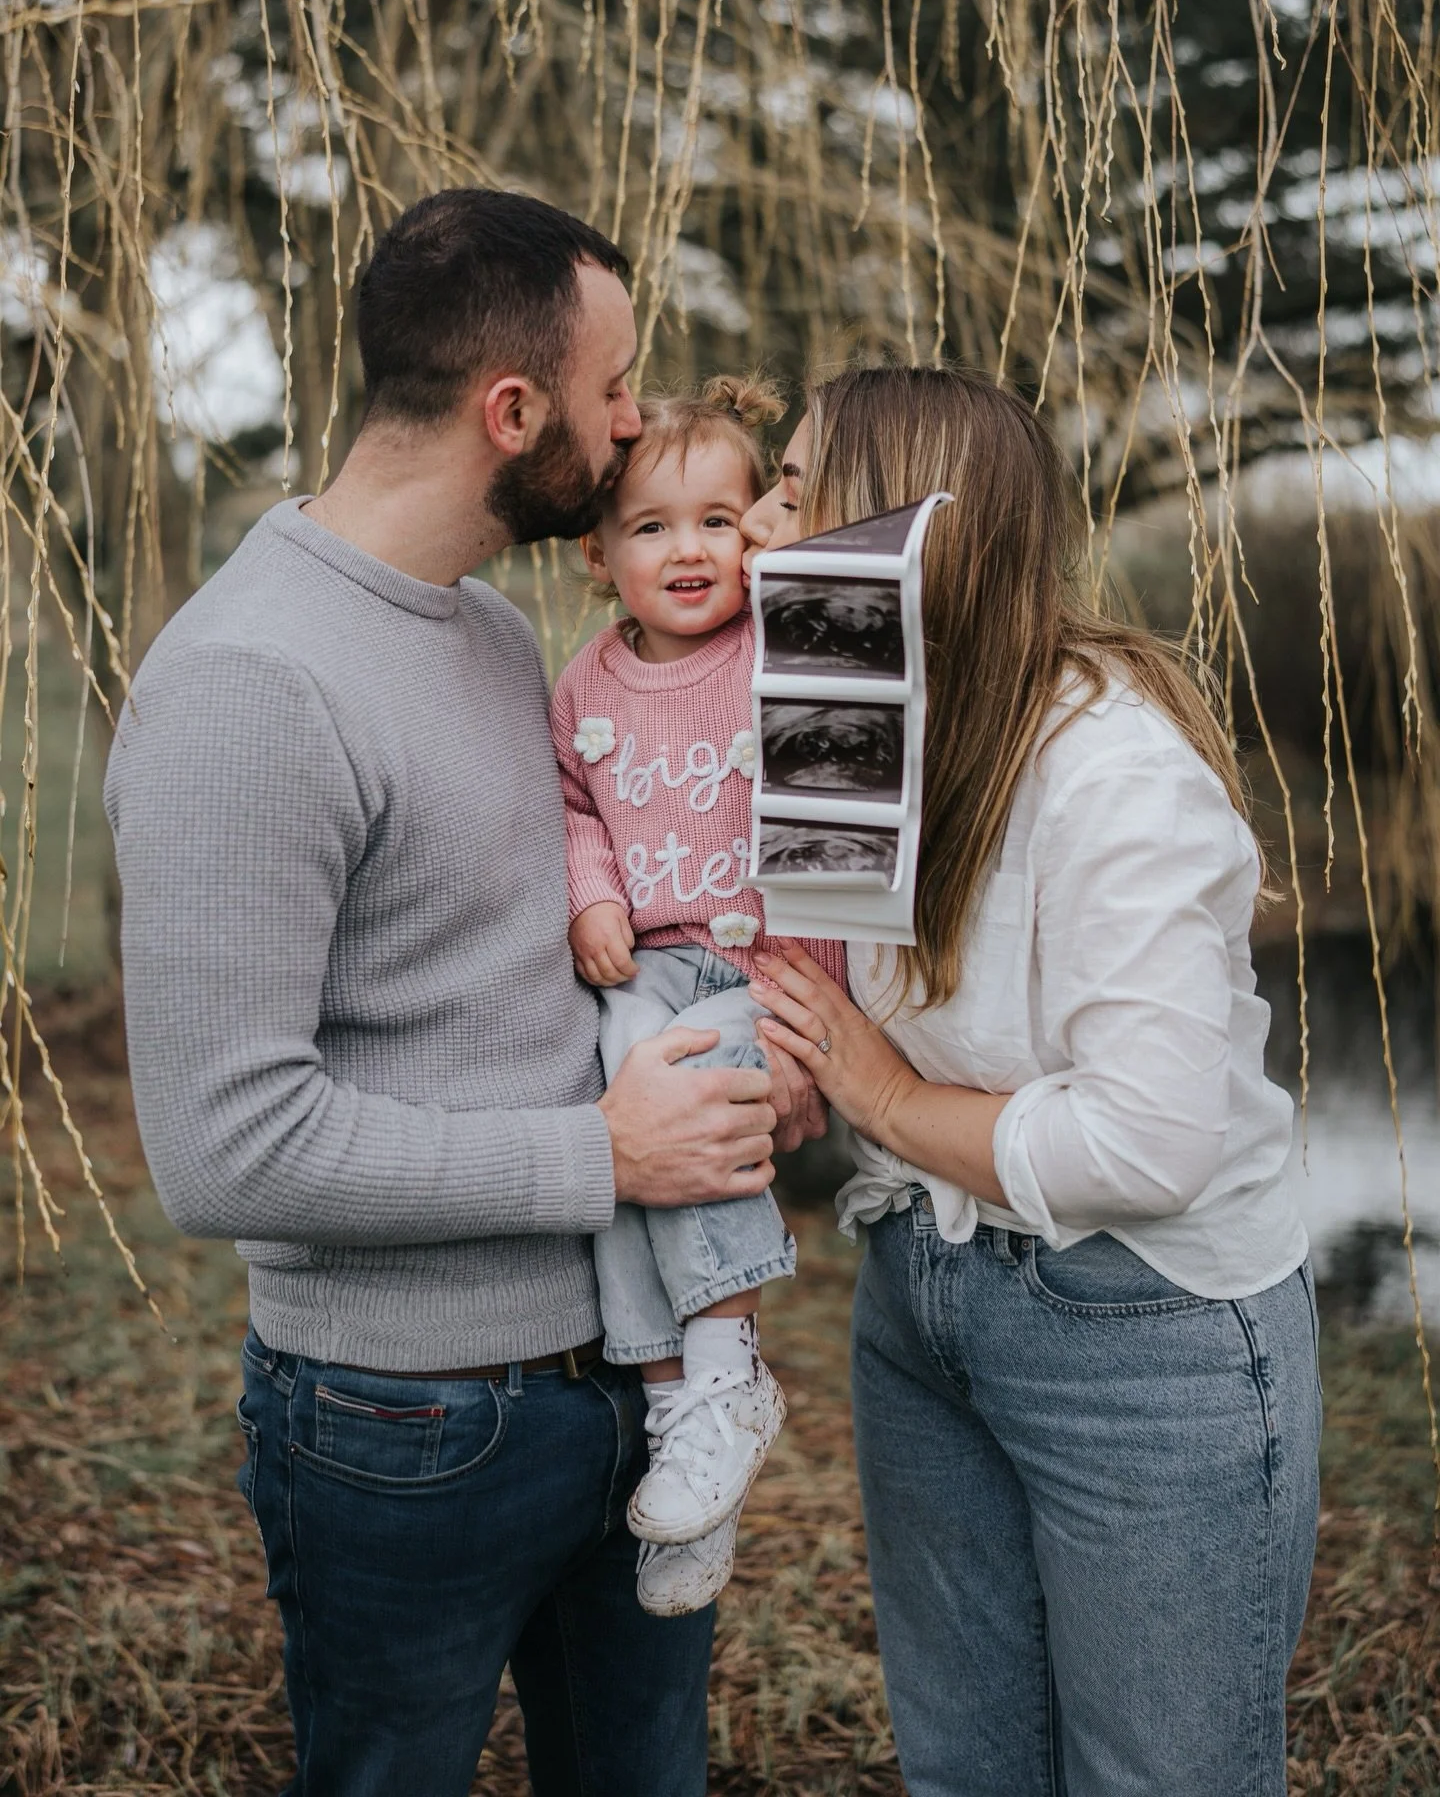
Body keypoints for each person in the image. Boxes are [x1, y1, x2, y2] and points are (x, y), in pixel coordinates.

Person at [103, 188, 822, 1797]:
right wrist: (605, 1158)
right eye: (614, 388)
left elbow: (669, 855)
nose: (636, 424)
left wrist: (761, 1050)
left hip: (622, 1381)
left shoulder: (503, 636)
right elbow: (225, 1150)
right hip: (403, 1426)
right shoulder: (247, 688)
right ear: (514, 413)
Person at [740, 365, 1321, 1797]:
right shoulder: (852, 717)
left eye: (796, 491)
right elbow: (797, 966)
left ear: (903, 532)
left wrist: (876, 1099)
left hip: (1145, 1331)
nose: (755, 521)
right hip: (926, 1297)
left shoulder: (1114, 772)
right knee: (969, 1767)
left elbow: (1150, 1140)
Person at [551, 375, 848, 1615]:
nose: (689, 551)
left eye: (718, 520)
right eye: (652, 526)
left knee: (690, 1098)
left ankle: (725, 1369)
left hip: (760, 969)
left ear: (755, 534)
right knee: (619, 1125)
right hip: (650, 967)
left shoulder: (779, 649)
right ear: (598, 552)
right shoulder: (582, 687)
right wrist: (590, 897)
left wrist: (809, 1028)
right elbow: (571, 804)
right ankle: (679, 1407)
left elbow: (836, 810)